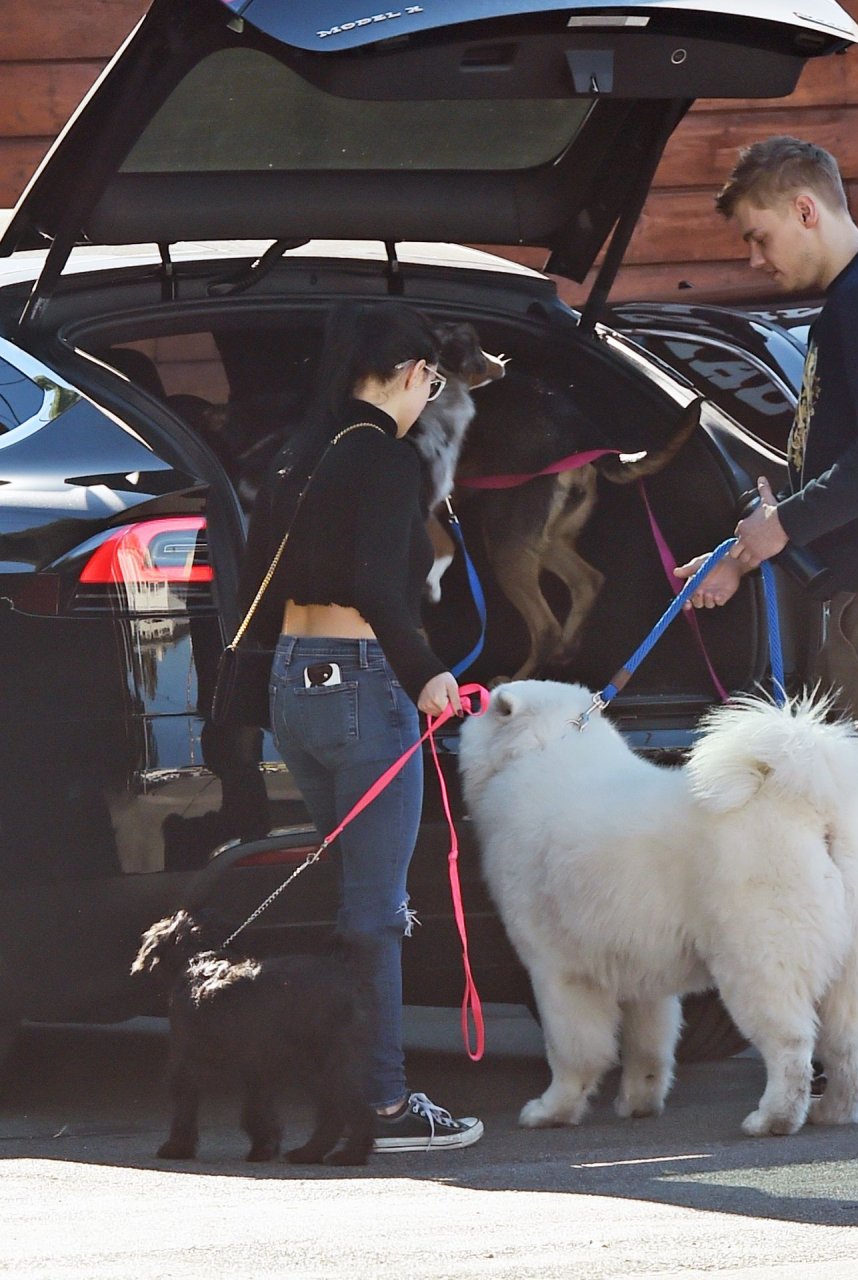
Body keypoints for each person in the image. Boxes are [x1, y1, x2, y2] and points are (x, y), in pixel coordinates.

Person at [675, 136, 858, 1105]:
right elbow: (849, 460)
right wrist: (744, 547)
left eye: (759, 236)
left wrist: (777, 530)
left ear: (806, 208)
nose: (755, 259)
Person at [239, 300, 483, 1150]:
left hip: (293, 685)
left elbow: (256, 583)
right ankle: (382, 1104)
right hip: (363, 684)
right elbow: (380, 586)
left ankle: (338, 1085)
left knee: (349, 897)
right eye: (432, 384)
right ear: (414, 374)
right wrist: (428, 673)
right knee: (376, 911)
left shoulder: (296, 453)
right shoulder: (384, 456)